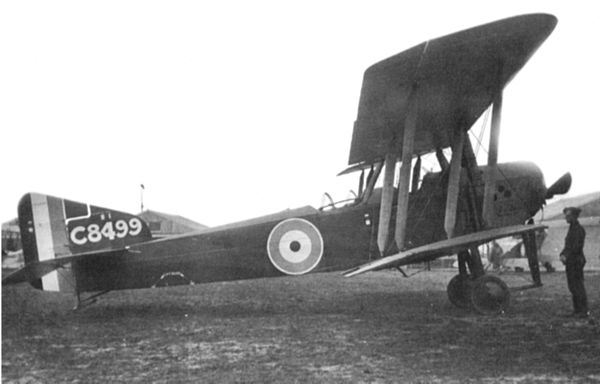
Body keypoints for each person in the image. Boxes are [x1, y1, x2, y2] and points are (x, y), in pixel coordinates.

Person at [560, 207, 589, 318]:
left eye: (568, 216)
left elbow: (575, 247)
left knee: (577, 286)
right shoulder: (573, 228)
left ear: (574, 216)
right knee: (573, 286)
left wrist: (565, 255)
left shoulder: (578, 229)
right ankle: (577, 310)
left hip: (576, 261)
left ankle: (583, 310)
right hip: (572, 261)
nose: (566, 218)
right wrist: (562, 254)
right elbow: (568, 246)